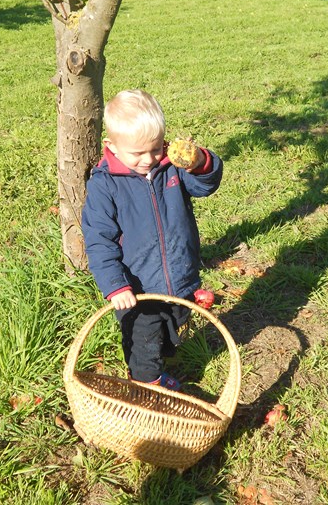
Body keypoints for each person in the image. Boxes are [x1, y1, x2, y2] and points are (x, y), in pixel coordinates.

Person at [82, 89, 223, 390]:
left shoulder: (170, 167)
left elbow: (204, 186)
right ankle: (147, 387)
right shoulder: (105, 185)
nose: (149, 159)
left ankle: (160, 364)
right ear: (112, 146)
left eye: (156, 148)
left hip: (178, 275)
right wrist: (116, 285)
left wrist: (199, 162)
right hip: (138, 288)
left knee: (172, 327)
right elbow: (99, 240)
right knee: (144, 343)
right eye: (137, 153)